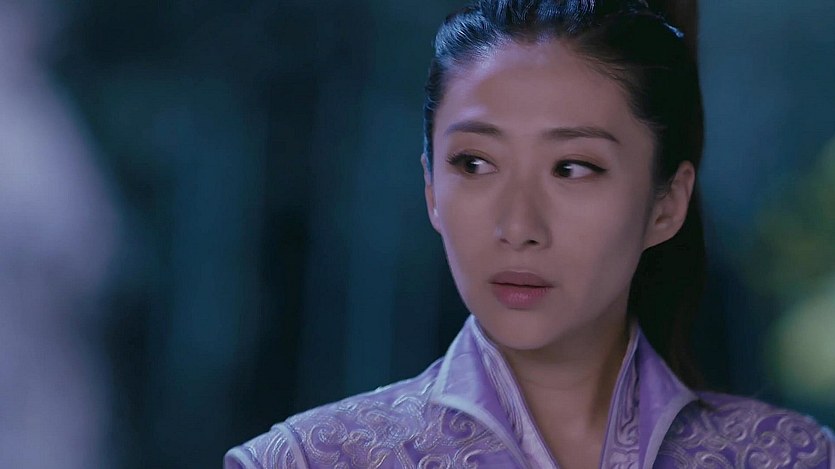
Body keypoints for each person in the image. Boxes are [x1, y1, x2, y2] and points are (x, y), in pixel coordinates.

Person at [225, 0, 834, 467]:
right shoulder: (309, 459)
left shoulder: (791, 457)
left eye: (573, 168)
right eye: (474, 164)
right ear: (431, 189)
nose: (518, 227)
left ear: (666, 204)